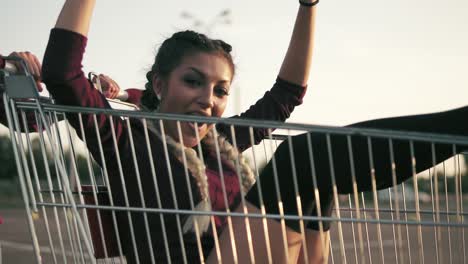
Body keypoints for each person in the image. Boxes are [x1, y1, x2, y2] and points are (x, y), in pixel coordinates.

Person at [41, 0, 468, 263]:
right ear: (158, 84)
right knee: (303, 157)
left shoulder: (222, 144)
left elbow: (287, 94)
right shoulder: (124, 139)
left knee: (311, 174)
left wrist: (308, 5)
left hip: (257, 253)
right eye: (193, 81)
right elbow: (63, 73)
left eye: (220, 90)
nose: (209, 99)